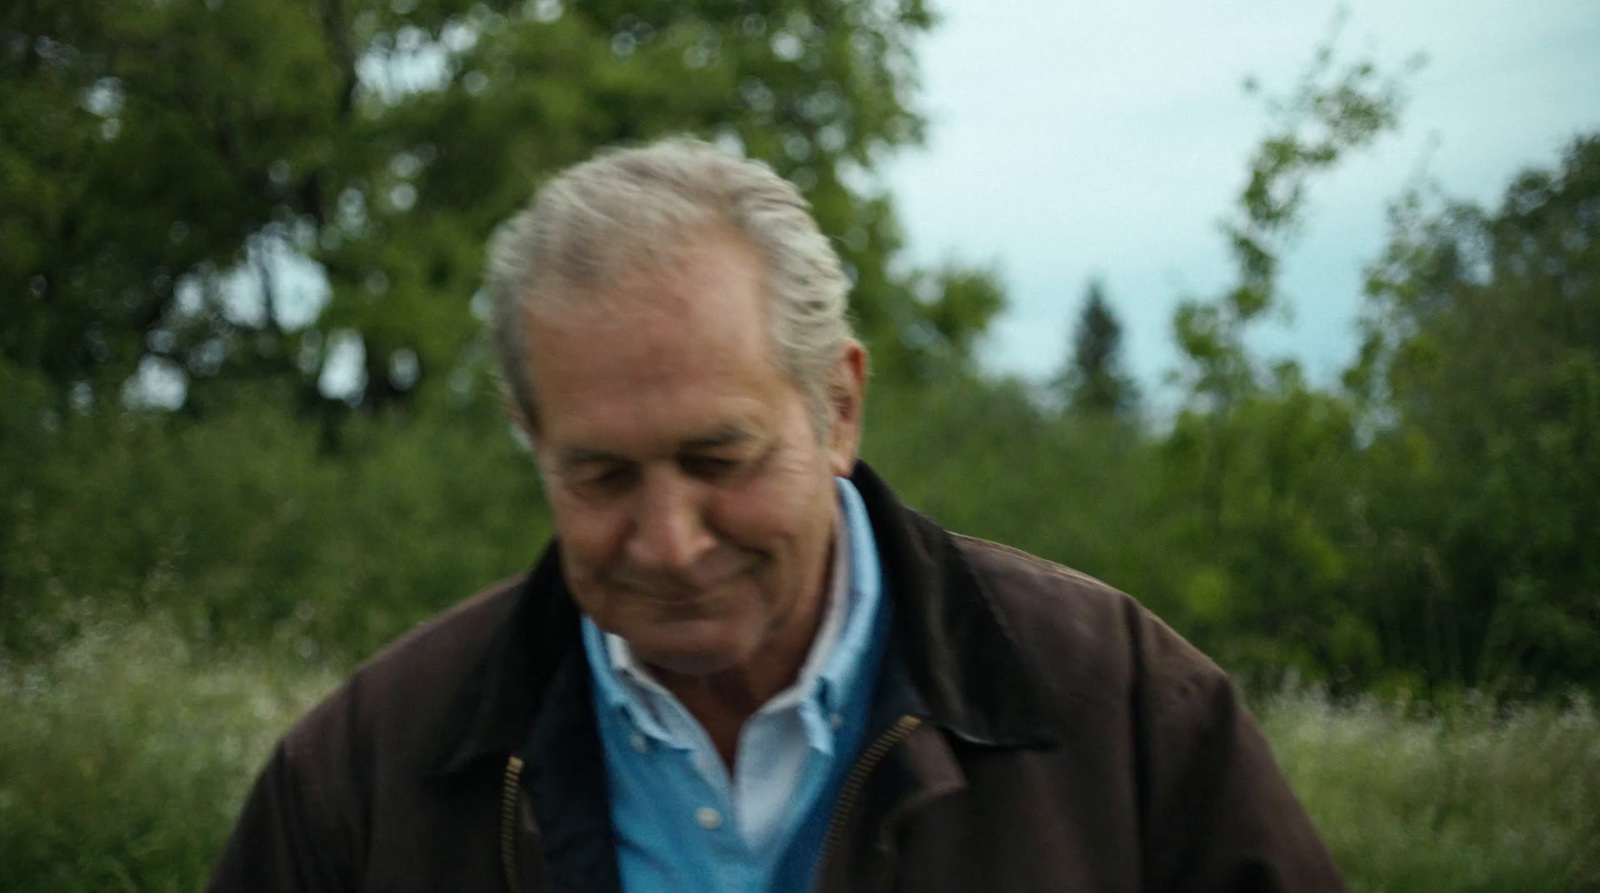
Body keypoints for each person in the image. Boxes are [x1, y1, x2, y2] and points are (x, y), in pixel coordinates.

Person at [208, 139, 1347, 893]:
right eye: (600, 476)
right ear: (530, 436)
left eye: (720, 456)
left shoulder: (1122, 708)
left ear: (839, 405)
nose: (669, 539)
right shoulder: (367, 768)